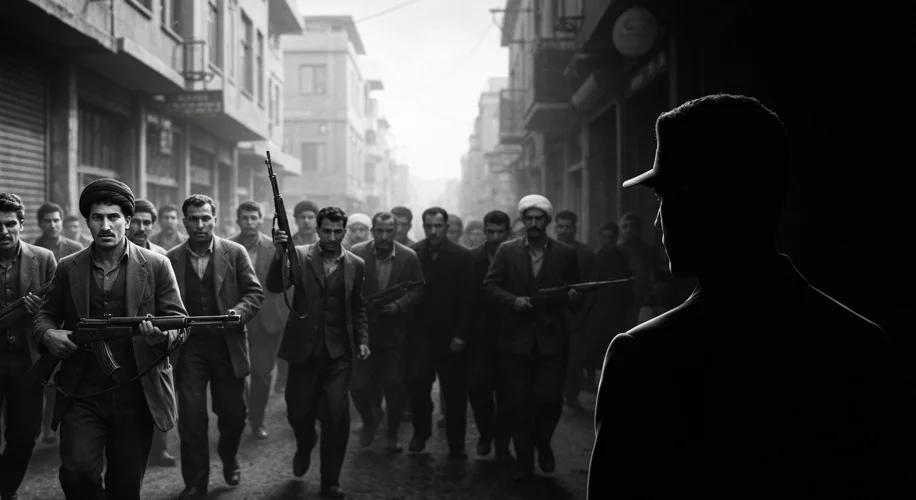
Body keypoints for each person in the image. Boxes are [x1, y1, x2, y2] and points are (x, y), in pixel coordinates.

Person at [588, 94, 905, 499]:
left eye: (663, 197)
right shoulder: (862, 345)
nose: (657, 217)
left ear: (695, 201)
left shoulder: (643, 357)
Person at [33, 179, 188, 500]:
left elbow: (181, 323)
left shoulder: (157, 265)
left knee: (125, 485)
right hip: (82, 391)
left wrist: (162, 336)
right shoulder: (67, 267)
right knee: (76, 473)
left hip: (137, 391)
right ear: (88, 222)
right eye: (97, 217)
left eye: (114, 217)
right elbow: (43, 315)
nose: (106, 225)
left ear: (128, 222)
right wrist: (49, 334)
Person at [267, 206, 370, 499]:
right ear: (318, 229)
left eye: (338, 232)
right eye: (327, 231)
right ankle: (305, 442)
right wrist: (278, 254)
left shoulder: (355, 264)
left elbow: (358, 307)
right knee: (298, 411)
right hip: (303, 352)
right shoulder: (298, 255)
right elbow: (275, 286)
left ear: (344, 232)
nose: (332, 237)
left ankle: (330, 481)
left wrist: (362, 339)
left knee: (336, 417)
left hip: (339, 355)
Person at [166, 195, 264, 499]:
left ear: (215, 219)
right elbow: (161, 302)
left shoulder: (234, 253)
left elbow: (254, 293)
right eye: (193, 219)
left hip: (226, 346)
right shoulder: (171, 258)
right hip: (189, 348)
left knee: (234, 414)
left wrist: (239, 312)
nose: (199, 224)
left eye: (205, 218)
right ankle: (195, 482)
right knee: (192, 419)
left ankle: (229, 454)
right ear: (185, 222)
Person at [483, 194, 582, 481]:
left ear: (548, 222)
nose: (535, 224)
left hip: (552, 340)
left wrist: (574, 297)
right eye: (529, 219)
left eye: (540, 219)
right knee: (518, 402)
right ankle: (525, 461)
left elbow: (575, 296)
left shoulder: (564, 253)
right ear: (522, 221)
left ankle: (542, 443)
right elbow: (490, 286)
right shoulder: (507, 251)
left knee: (550, 400)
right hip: (515, 341)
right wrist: (513, 301)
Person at [349, 211, 423, 453]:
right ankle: (370, 422)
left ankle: (392, 434)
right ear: (372, 231)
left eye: (389, 231)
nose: (383, 236)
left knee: (394, 386)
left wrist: (399, 305)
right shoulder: (358, 252)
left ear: (396, 231)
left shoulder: (408, 256)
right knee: (358, 385)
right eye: (379, 231)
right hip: (364, 331)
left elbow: (418, 288)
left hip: (393, 332)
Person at [0, 193, 56, 500]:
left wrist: (40, 311)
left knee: (25, 435)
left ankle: (6, 488)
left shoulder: (44, 258)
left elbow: (59, 308)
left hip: (28, 360)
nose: (3, 232)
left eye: (10, 224)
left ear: (21, 225)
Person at [406, 207, 473, 458]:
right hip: (421, 335)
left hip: (451, 337)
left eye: (438, 226)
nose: (433, 231)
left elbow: (469, 300)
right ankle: (421, 432)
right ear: (422, 227)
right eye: (429, 226)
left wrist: (461, 335)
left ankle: (456, 443)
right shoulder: (414, 254)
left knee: (455, 392)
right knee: (417, 384)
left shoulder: (462, 256)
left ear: (446, 227)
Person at [230, 201, 287, 441]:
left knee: (262, 374)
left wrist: (283, 251)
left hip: (267, 321)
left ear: (261, 219)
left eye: (254, 218)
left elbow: (285, 281)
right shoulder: (228, 247)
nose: (250, 223)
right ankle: (240, 414)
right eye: (245, 218)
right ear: (238, 221)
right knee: (238, 374)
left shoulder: (273, 247)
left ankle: (257, 420)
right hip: (236, 320)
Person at [125, 199, 174, 467]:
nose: (141, 228)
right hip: (122, 337)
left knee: (158, 389)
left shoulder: (161, 257)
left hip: (153, 336)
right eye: (137, 222)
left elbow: (171, 303)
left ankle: (161, 449)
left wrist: (162, 332)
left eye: (147, 223)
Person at [466, 210, 513, 462]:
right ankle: (485, 434)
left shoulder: (518, 255)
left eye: (500, 232)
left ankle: (503, 443)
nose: (495, 237)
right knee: (479, 390)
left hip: (511, 335)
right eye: (490, 232)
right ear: (484, 232)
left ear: (508, 232)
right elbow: (465, 299)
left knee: (508, 394)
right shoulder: (473, 258)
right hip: (479, 337)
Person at [553, 210, 596, 412]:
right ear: (555, 227)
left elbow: (591, 283)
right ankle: (553, 397)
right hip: (552, 312)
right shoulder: (547, 250)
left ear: (575, 228)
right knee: (553, 357)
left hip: (577, 314)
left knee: (575, 358)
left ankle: (572, 396)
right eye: (560, 226)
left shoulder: (586, 253)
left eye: (568, 227)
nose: (564, 231)